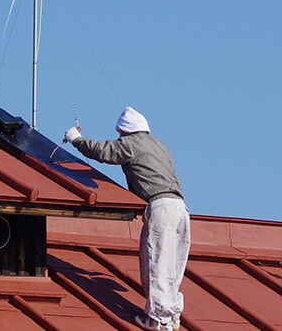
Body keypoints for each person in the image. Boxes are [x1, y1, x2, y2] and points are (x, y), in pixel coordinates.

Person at [65, 108, 189, 331]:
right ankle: (171, 316)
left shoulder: (131, 144)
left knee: (157, 262)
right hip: (180, 209)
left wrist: (77, 140)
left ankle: (158, 320)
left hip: (160, 207)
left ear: (125, 131)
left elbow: (105, 152)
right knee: (173, 265)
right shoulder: (160, 146)